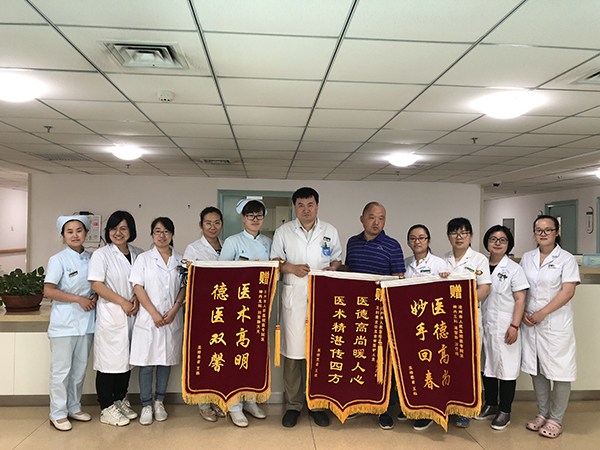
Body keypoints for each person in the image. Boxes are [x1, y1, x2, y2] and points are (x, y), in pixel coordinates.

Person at [271, 187, 342, 428]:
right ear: (295, 208)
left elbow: (337, 258)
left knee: (318, 354)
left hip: (322, 299)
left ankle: (316, 405)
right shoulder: (283, 232)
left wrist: (333, 268)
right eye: (300, 205)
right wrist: (290, 267)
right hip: (294, 301)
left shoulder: (329, 231)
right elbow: (275, 261)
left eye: (310, 204)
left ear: (317, 206)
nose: (306, 209)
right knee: (293, 356)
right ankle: (293, 406)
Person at [345, 202, 404, 430]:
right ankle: (359, 403)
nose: (377, 222)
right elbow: (349, 273)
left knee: (383, 361)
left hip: (382, 315)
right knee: (359, 358)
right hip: (357, 313)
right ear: (362, 219)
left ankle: (384, 409)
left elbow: (399, 279)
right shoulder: (352, 242)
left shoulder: (392, 245)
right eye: (372, 217)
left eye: (381, 218)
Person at [520, 215, 580, 439]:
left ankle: (556, 419)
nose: (543, 233)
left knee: (560, 371)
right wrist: (523, 313)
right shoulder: (527, 257)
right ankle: (542, 413)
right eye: (539, 230)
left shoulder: (566, 259)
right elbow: (521, 288)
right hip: (531, 323)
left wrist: (542, 313)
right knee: (537, 370)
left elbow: (568, 291)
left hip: (555, 323)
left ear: (557, 231)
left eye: (548, 229)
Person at [218, 199, 272, 427]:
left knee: (254, 354)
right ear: (243, 218)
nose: (255, 220)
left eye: (259, 215)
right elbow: (222, 273)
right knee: (234, 355)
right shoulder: (233, 242)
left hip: (259, 307)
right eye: (251, 216)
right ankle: (234, 406)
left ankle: (250, 400)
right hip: (237, 308)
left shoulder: (268, 242)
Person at [88, 211, 143, 427]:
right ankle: (106, 407)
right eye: (113, 228)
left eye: (123, 228)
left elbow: (142, 282)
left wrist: (136, 299)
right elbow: (97, 284)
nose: (118, 233)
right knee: (108, 363)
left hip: (132, 314)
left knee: (126, 362)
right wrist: (123, 302)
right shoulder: (101, 255)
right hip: (112, 314)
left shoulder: (138, 253)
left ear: (131, 230)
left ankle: (120, 400)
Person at [129, 217, 186, 426]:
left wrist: (175, 309)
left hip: (172, 317)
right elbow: (138, 287)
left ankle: (159, 402)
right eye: (157, 231)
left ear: (172, 234)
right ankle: (146, 405)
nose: (162, 235)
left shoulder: (181, 260)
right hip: (148, 319)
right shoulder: (143, 259)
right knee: (147, 363)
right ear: (152, 235)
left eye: (166, 231)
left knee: (165, 362)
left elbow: (184, 287)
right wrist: (153, 313)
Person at [44, 215, 97, 431]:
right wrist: (78, 299)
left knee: (79, 369)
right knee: (61, 370)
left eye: (79, 230)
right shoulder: (58, 259)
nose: (75, 235)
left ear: (86, 234)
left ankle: (74, 407)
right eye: (70, 231)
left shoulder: (92, 258)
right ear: (63, 236)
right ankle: (57, 413)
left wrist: (94, 296)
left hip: (87, 322)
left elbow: (97, 285)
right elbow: (49, 290)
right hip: (64, 324)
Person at [475, 225, 528, 430]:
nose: (497, 243)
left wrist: (515, 325)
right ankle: (490, 404)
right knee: (486, 366)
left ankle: (505, 410)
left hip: (506, 325)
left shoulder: (514, 269)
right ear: (487, 242)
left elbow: (520, 299)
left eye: (502, 240)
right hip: (484, 324)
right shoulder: (479, 265)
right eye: (493, 239)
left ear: (509, 244)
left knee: (506, 369)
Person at [443, 217, 491, 428]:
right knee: (447, 362)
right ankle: (448, 405)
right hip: (445, 320)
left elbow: (484, 288)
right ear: (448, 237)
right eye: (454, 233)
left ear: (471, 236)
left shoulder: (479, 259)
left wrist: (463, 305)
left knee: (468, 365)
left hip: (469, 318)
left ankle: (465, 409)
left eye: (463, 232)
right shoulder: (442, 260)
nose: (459, 237)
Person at [183, 207, 226, 423]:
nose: (212, 227)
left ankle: (217, 399)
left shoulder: (227, 247)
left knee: (219, 356)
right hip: (202, 310)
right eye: (208, 223)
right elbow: (186, 278)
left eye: (217, 223)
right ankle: (203, 404)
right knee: (203, 355)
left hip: (223, 311)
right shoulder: (192, 249)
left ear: (222, 225)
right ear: (201, 225)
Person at [404, 224, 449, 431]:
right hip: (410, 324)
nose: (417, 242)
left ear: (429, 240)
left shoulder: (439, 264)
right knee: (412, 366)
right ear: (408, 242)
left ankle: (429, 410)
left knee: (429, 367)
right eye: (413, 238)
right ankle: (412, 407)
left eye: (422, 238)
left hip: (431, 325)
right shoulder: (405, 263)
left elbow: (447, 292)